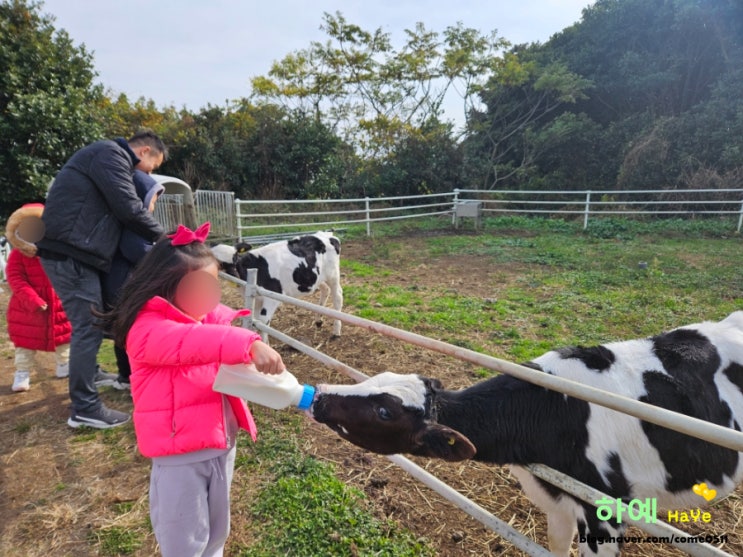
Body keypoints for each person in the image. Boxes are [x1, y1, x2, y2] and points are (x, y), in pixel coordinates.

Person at [97, 221, 285, 557]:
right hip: (179, 456)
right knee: (184, 537)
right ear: (164, 287)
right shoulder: (148, 330)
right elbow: (192, 342)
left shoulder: (205, 319)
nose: (208, 297)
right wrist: (249, 343)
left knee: (216, 530)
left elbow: (213, 326)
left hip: (220, 445)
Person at [37, 131, 167, 429]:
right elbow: (127, 207)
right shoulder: (110, 155)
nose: (146, 173)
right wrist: (165, 239)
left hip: (76, 251)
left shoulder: (105, 157)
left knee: (89, 324)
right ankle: (85, 407)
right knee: (90, 327)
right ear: (144, 151)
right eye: (151, 166)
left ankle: (90, 373)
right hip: (71, 252)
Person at [101, 170, 165, 391]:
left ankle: (125, 377)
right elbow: (136, 250)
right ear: (141, 198)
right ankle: (133, 377)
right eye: (153, 200)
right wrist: (160, 253)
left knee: (123, 331)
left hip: (115, 284)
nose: (154, 207)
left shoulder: (116, 219)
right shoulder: (133, 224)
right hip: (124, 286)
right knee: (131, 331)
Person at [5, 204, 71, 392]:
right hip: (28, 308)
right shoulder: (19, 254)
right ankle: (22, 372)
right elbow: (16, 278)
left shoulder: (57, 250)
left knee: (64, 337)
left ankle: (64, 365)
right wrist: (32, 299)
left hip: (58, 302)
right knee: (25, 343)